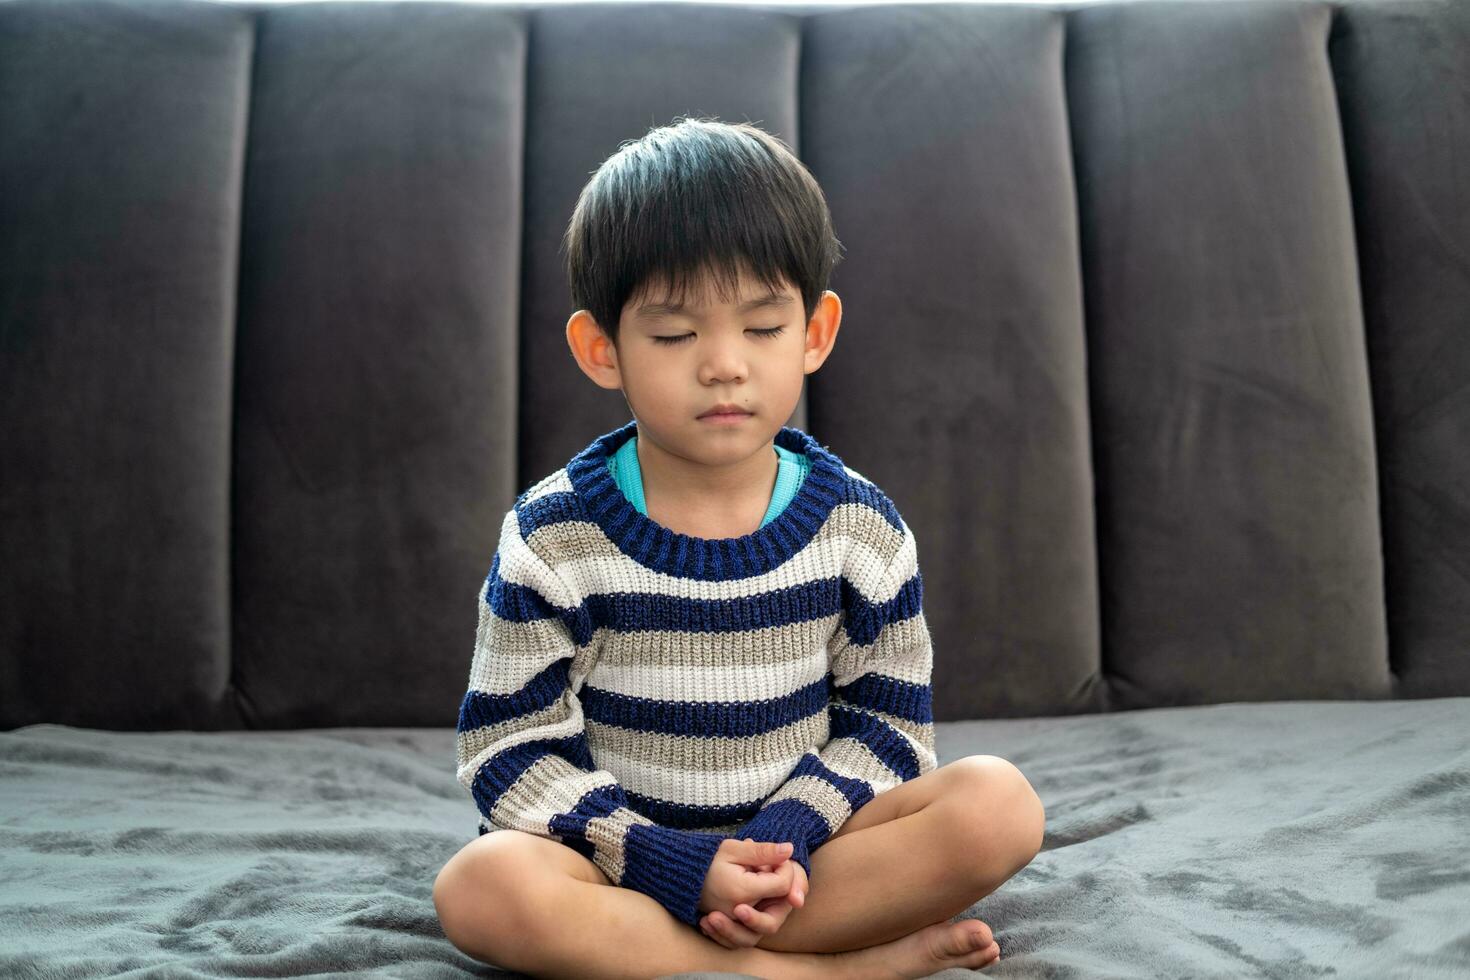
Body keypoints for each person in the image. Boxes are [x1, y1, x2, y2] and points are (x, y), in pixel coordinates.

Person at [433, 117, 1044, 979]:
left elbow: (890, 730)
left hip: (802, 858)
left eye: (762, 328)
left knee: (999, 806)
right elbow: (507, 749)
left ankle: (696, 958)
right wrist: (671, 866)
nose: (723, 364)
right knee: (480, 886)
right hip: (624, 868)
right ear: (602, 349)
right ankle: (817, 971)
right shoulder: (555, 536)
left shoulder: (860, 529)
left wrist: (780, 840)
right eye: (675, 335)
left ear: (815, 334)